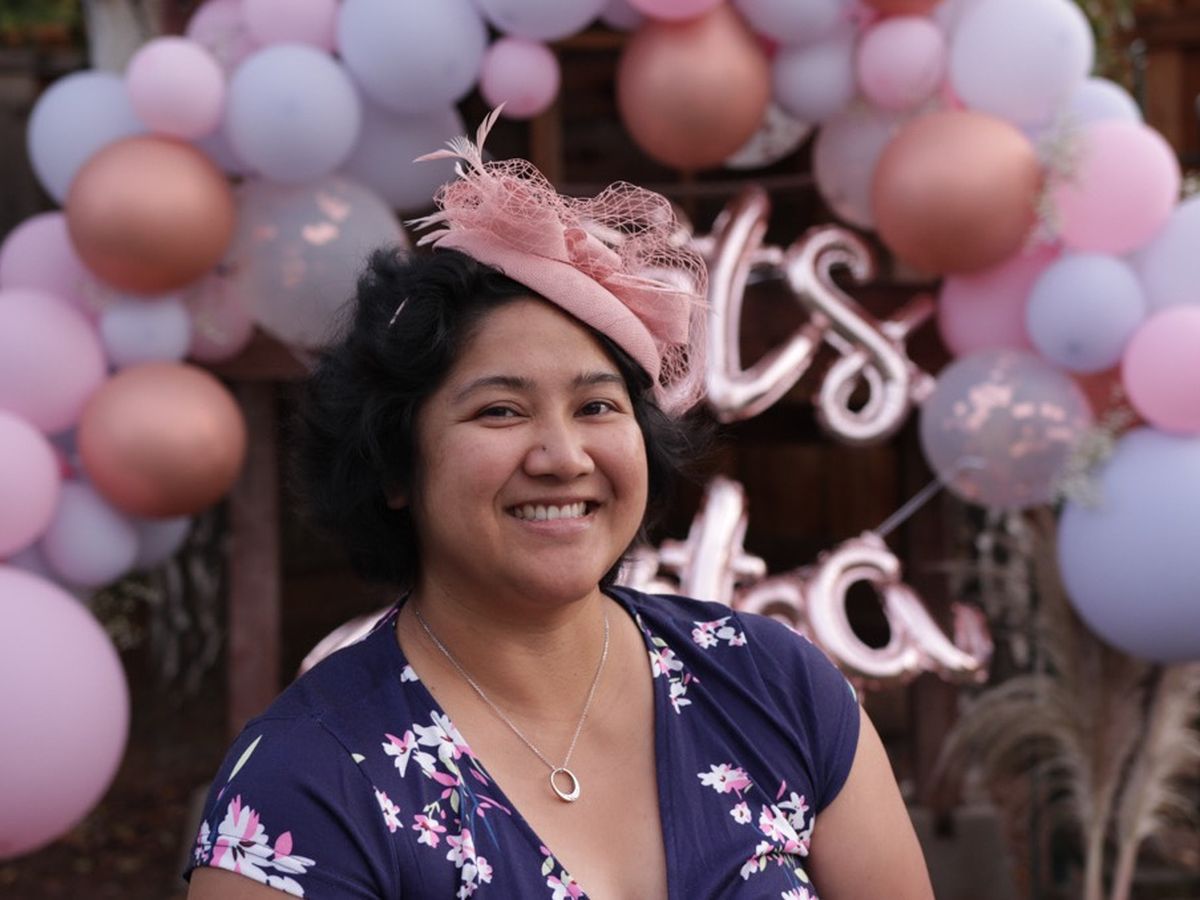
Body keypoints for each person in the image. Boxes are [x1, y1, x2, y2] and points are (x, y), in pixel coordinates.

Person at [185, 109, 934, 900]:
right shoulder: (307, 783)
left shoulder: (774, 685)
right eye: (500, 411)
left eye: (597, 407)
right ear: (396, 467)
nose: (564, 457)